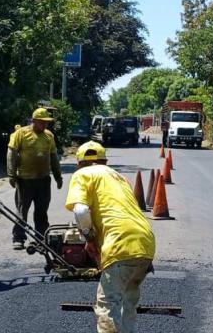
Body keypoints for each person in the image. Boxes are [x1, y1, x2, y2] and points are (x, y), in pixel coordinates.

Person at [65, 141, 156, 333]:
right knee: (127, 304)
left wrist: (89, 239)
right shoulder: (120, 178)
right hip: (145, 242)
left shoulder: (82, 174)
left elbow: (81, 211)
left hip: (119, 244)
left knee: (107, 305)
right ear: (104, 161)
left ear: (79, 163)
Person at [7, 108, 63, 250]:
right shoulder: (21, 134)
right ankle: (18, 238)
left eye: (47, 122)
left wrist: (58, 176)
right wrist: (11, 174)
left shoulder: (49, 136)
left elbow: (53, 157)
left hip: (43, 180)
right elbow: (11, 154)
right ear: (34, 121)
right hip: (25, 180)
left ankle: (41, 238)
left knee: (41, 211)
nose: (45, 125)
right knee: (22, 210)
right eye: (42, 122)